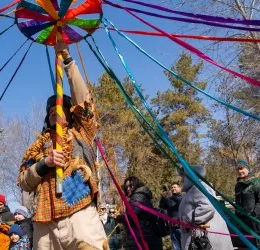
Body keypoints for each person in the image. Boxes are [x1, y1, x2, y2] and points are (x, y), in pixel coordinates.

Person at [18, 41, 107, 249]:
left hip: (79, 209)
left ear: (70, 112)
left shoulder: (81, 131)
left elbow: (83, 99)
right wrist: (44, 164)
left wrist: (67, 60)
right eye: (49, 110)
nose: (53, 111)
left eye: (58, 107)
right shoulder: (37, 146)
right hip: (44, 220)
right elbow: (24, 181)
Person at [178, 165, 233, 250]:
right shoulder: (194, 188)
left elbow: (207, 206)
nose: (181, 179)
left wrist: (188, 219)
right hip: (199, 237)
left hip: (205, 239)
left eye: (182, 176)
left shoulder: (199, 187)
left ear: (189, 175)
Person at [116, 176, 162, 250]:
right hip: (146, 235)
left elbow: (132, 214)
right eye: (126, 187)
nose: (128, 189)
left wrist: (119, 217)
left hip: (141, 236)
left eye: (131, 186)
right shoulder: (144, 195)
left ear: (136, 184)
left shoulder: (138, 196)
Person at [159, 183, 183, 250]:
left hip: (183, 226)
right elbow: (161, 207)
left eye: (175, 187)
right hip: (173, 227)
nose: (173, 189)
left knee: (185, 245)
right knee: (176, 247)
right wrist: (163, 197)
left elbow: (179, 201)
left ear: (180, 188)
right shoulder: (169, 199)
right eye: (172, 187)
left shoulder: (183, 198)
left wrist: (170, 197)